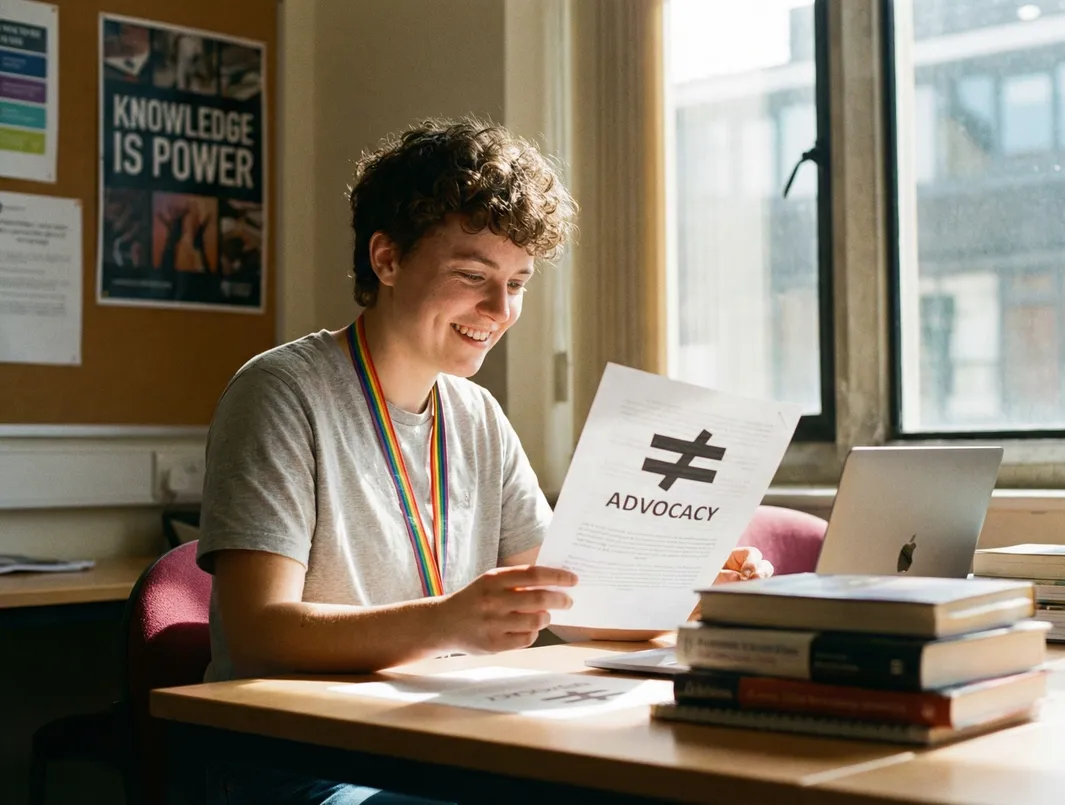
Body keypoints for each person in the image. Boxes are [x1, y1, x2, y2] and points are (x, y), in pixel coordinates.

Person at [196, 117, 772, 805]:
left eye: (517, 283)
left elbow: (568, 601)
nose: (499, 309)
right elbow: (258, 633)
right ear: (386, 259)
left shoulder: (477, 416)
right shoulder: (280, 391)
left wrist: (690, 587)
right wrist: (446, 621)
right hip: (304, 763)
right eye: (473, 275)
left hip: (441, 740)